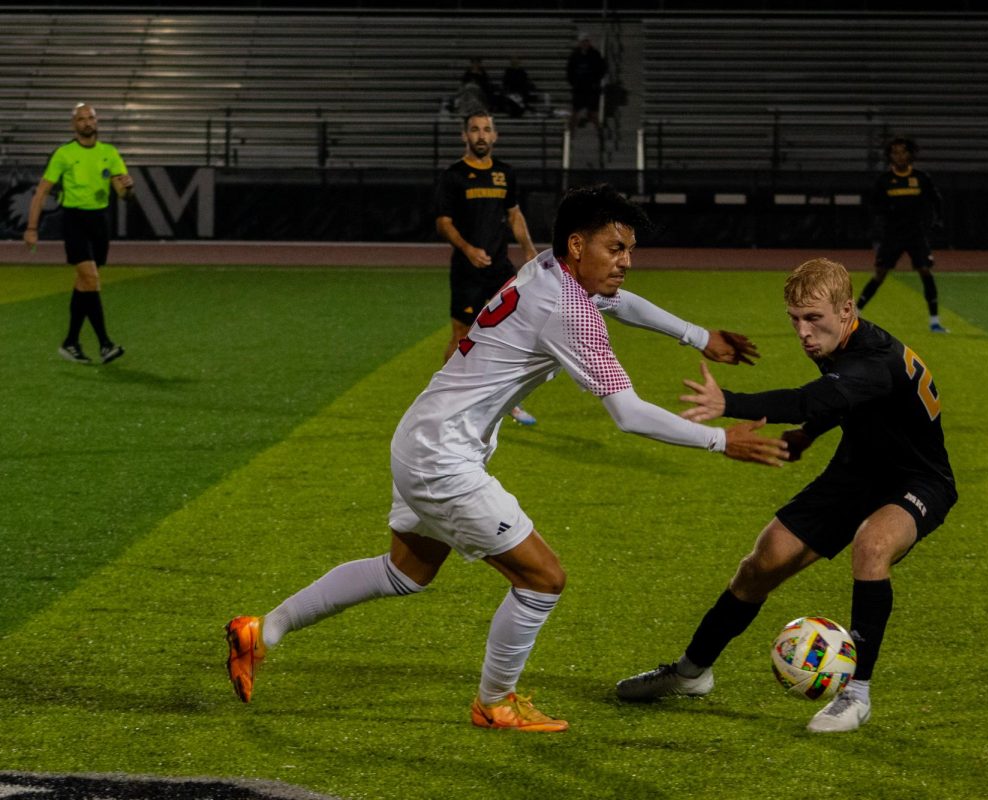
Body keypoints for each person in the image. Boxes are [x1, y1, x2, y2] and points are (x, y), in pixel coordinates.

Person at [225, 184, 789, 732]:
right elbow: (629, 413)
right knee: (542, 579)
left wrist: (695, 334)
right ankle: (495, 703)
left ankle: (263, 631)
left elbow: (617, 300)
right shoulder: (568, 310)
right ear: (576, 245)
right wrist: (721, 440)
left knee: (405, 572)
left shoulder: (547, 267)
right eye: (616, 249)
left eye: (630, 251)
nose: (627, 262)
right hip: (443, 458)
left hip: (422, 436)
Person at [616, 257, 957, 734]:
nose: (802, 331)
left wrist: (728, 403)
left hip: (917, 480)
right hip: (855, 472)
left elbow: (811, 397)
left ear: (846, 309)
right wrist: (807, 436)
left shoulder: (875, 358)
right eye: (794, 319)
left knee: (872, 545)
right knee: (760, 564)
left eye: (813, 318)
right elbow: (837, 401)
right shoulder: (834, 340)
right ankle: (690, 673)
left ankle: (856, 695)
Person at [434, 111, 540, 424]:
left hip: (500, 269)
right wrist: (467, 249)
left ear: (495, 136)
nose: (481, 135)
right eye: (474, 130)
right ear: (464, 136)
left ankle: (506, 399)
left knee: (514, 334)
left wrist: (529, 251)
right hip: (467, 269)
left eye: (486, 130)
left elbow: (514, 214)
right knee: (461, 336)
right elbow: (443, 222)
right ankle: (444, 401)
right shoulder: (452, 176)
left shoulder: (505, 173)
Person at [24, 103, 134, 365]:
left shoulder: (109, 153)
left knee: (84, 284)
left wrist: (128, 189)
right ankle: (105, 344)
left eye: (91, 118)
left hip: (99, 221)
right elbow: (41, 192)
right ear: (74, 124)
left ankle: (70, 342)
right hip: (74, 220)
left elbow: (123, 193)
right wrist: (31, 228)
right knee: (91, 279)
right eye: (82, 119)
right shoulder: (64, 153)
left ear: (97, 122)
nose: (87, 122)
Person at [856, 136, 948, 333]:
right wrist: (877, 225)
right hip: (893, 235)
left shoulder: (921, 178)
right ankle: (855, 313)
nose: (899, 156)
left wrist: (937, 220)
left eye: (903, 151)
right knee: (880, 275)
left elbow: (936, 199)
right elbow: (874, 206)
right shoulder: (884, 181)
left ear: (911, 154)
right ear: (890, 156)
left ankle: (934, 321)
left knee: (925, 271)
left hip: (916, 234)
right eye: (895, 152)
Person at [566, 33, 606, 133]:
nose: (584, 44)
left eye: (586, 41)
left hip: (591, 88)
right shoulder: (575, 55)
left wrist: (595, 81)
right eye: (582, 42)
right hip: (578, 87)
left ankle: (599, 131)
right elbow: (569, 70)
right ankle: (570, 132)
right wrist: (573, 82)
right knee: (575, 111)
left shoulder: (595, 54)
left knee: (592, 111)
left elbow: (602, 69)